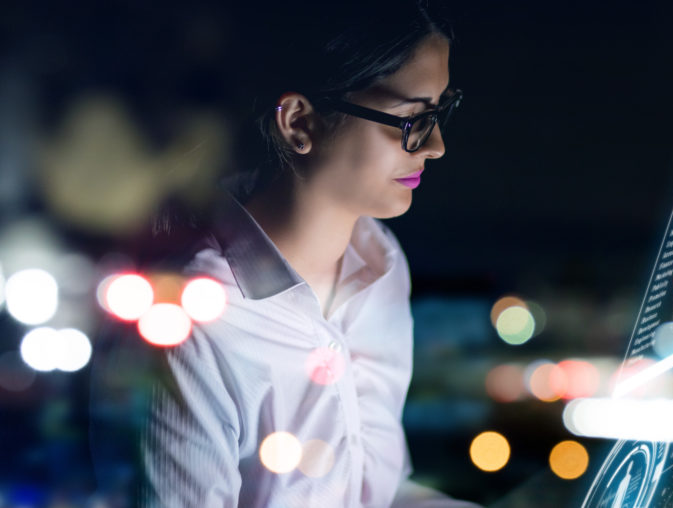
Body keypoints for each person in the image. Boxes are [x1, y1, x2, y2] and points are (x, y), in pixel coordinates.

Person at [91, 2, 479, 507]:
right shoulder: (201, 316)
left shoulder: (382, 264)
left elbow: (374, 492)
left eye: (440, 111)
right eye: (413, 118)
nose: (436, 146)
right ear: (299, 122)